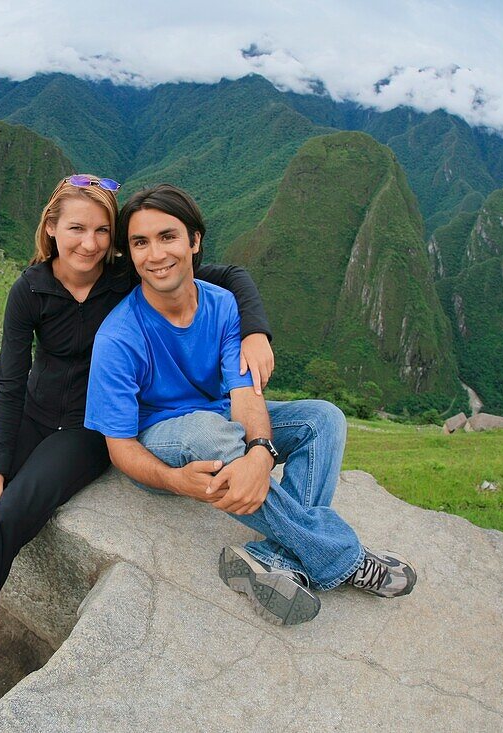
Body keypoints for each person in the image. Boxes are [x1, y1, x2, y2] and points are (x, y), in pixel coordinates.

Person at [0, 174, 276, 685]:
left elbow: (228, 275)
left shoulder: (125, 276)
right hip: (32, 413)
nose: (91, 243)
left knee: (9, 517)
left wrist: (255, 330)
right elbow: (9, 386)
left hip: (85, 429)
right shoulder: (29, 290)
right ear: (51, 228)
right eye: (78, 229)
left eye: (104, 231)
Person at [84, 183, 416, 626]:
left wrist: (260, 451)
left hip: (223, 424)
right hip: (163, 442)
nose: (155, 254)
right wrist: (174, 481)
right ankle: (342, 557)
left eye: (168, 237)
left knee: (324, 418)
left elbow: (245, 395)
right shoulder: (118, 336)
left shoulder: (221, 304)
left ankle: (276, 558)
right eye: (140, 243)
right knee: (207, 430)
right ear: (129, 253)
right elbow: (120, 446)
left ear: (194, 241)